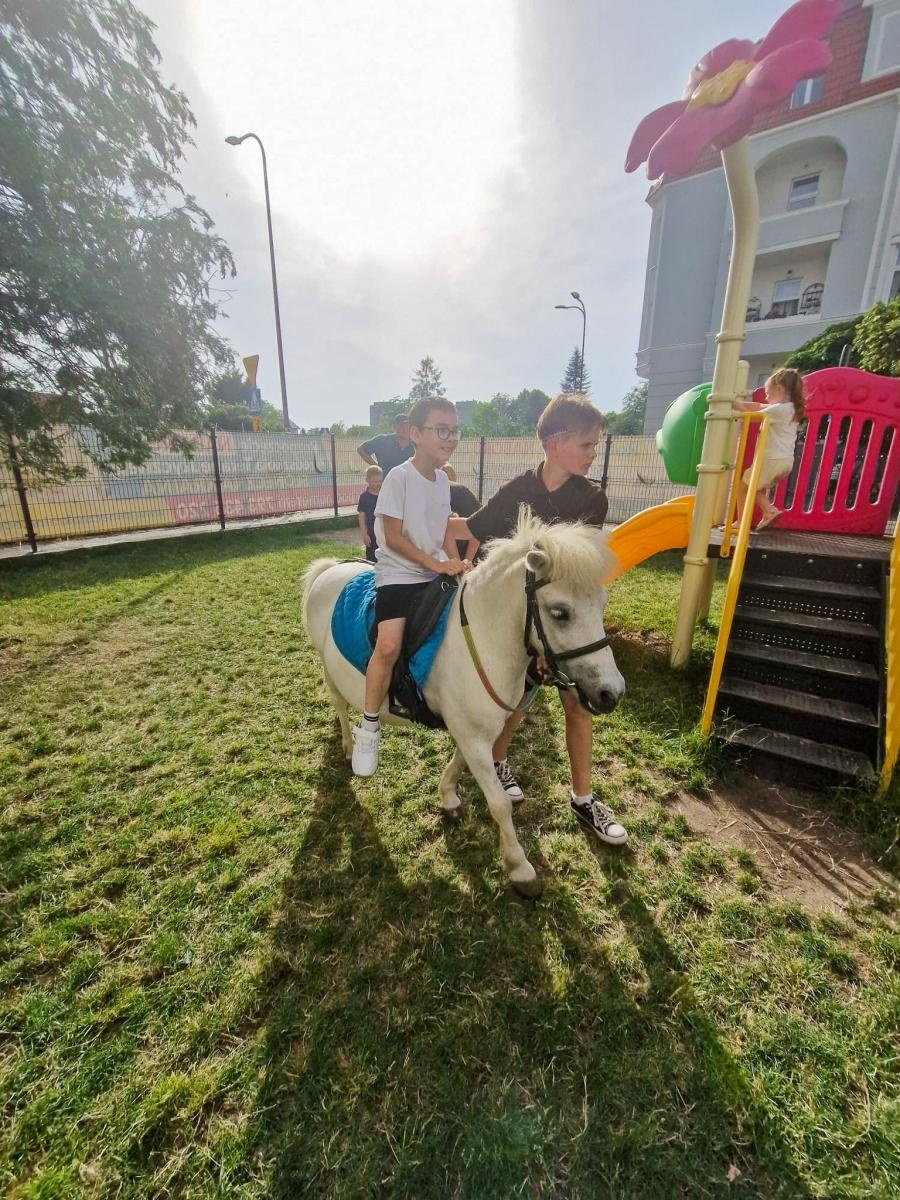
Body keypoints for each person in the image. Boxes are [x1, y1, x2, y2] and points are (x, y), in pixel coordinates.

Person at [450, 393, 627, 846]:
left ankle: (584, 799)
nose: (593, 453)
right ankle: (499, 762)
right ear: (554, 442)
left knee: (577, 706)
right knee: (516, 700)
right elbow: (471, 528)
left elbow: (581, 572)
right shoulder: (516, 492)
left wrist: (554, 647)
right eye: (586, 445)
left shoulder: (592, 499)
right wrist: (410, 522)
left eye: (594, 445)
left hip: (564, 626)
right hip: (522, 626)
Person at [351, 397, 469, 777]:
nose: (450, 438)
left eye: (454, 431)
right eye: (441, 430)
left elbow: (444, 530)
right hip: (399, 573)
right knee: (388, 644)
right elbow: (393, 536)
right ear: (415, 434)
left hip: (433, 570)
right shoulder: (399, 476)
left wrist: (457, 562)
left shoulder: (442, 480)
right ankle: (369, 727)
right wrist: (435, 563)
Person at [732, 367, 806, 530]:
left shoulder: (779, 409)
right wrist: (741, 403)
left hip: (771, 459)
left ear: (779, 389)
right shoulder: (790, 409)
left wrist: (731, 402)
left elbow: (751, 412)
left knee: (743, 487)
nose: (766, 397)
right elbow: (758, 405)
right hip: (785, 461)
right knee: (754, 486)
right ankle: (766, 512)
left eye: (768, 393)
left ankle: (762, 513)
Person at [442, 464, 481, 561]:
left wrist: (466, 561)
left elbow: (479, 528)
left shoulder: (459, 494)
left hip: (468, 554)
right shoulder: (460, 491)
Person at [356, 465, 383, 563]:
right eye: (375, 482)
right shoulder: (364, 497)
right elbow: (361, 516)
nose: (378, 484)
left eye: (380, 481)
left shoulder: (385, 494)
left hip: (384, 532)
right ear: (368, 480)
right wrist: (364, 534)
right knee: (372, 560)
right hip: (371, 533)